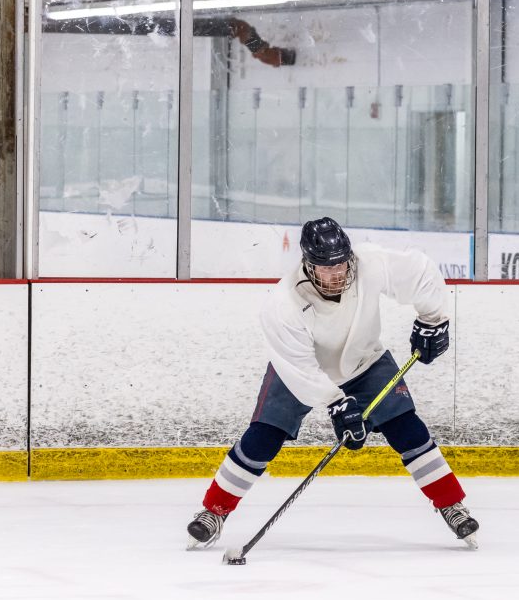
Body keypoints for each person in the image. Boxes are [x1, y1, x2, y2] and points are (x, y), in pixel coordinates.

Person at [185, 217, 479, 551]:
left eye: (342, 264)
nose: (337, 273)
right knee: (263, 437)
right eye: (327, 268)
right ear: (308, 265)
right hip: (300, 372)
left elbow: (420, 272)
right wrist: (335, 403)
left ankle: (451, 505)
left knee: (407, 428)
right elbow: (301, 370)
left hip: (365, 361)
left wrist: (433, 320)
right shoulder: (283, 304)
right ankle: (214, 511)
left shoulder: (369, 263)